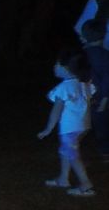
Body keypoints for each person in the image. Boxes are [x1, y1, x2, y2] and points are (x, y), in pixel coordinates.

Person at [37, 48, 95, 196]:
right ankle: (63, 179)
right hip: (83, 126)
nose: (54, 66)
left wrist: (48, 129)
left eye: (57, 64)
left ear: (67, 68)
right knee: (66, 151)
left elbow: (56, 111)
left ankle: (86, 184)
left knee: (72, 155)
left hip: (70, 129)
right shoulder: (84, 84)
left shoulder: (64, 88)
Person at [77, 17, 109, 159]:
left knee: (84, 125)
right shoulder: (105, 55)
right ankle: (105, 152)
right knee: (101, 126)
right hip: (100, 98)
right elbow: (107, 79)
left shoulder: (82, 56)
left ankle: (77, 151)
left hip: (86, 97)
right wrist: (104, 100)